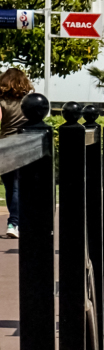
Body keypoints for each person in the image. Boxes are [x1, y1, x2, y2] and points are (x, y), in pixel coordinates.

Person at [0, 68, 34, 238]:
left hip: (5, 145)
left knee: (10, 187)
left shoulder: (1, 101)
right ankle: (16, 222)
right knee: (20, 187)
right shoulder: (28, 101)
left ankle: (14, 222)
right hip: (25, 144)